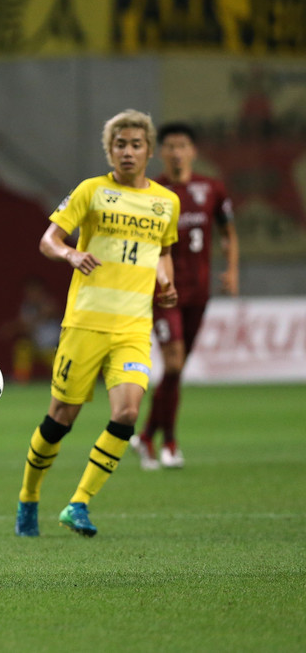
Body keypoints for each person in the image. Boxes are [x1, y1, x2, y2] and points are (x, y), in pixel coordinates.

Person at [14, 109, 180, 539]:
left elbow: (163, 251)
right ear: (110, 150)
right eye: (120, 144)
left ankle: (79, 503)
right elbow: (48, 239)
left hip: (133, 327)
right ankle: (29, 496)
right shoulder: (91, 192)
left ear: (148, 150)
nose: (127, 151)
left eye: (136, 144)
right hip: (86, 323)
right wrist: (70, 254)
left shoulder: (166, 202)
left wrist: (167, 283)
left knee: (127, 412)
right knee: (61, 417)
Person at [130, 123, 239, 470]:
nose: (177, 152)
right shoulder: (152, 190)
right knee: (174, 363)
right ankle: (170, 442)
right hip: (163, 293)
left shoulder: (212, 189)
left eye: (183, 146)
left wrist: (232, 270)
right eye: (171, 146)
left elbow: (229, 232)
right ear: (161, 152)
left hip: (199, 293)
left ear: (193, 151)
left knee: (176, 371)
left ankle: (146, 437)